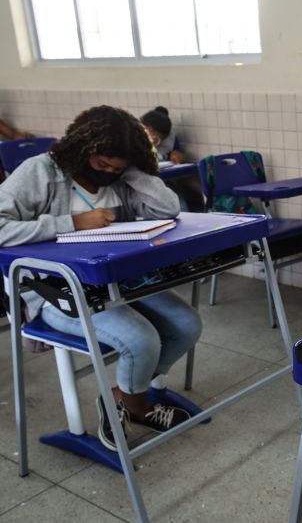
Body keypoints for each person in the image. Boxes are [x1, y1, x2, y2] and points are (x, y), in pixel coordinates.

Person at [0, 105, 201, 452]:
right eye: (102, 164)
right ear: (82, 149)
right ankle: (138, 407)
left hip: (118, 282)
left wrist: (136, 170)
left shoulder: (123, 178)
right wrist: (73, 223)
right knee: (141, 340)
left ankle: (121, 396)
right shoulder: (41, 172)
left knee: (186, 325)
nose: (108, 172)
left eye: (117, 167)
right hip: (54, 290)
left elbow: (168, 209)